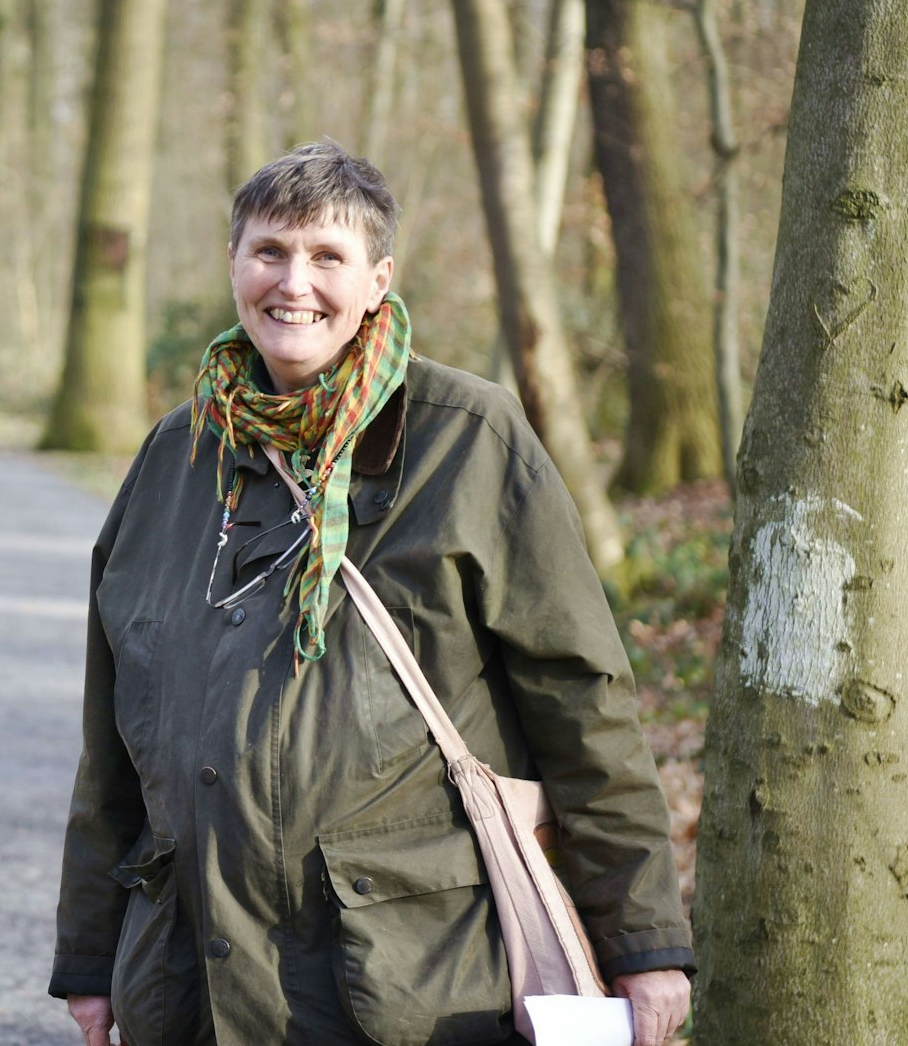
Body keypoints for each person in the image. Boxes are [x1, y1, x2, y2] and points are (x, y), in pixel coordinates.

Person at [49, 143, 693, 1046]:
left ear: (378, 279)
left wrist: (644, 941)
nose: (294, 282)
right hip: (190, 977)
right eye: (270, 251)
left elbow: (581, 699)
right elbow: (113, 727)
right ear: (234, 265)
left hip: (409, 984)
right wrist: (89, 955)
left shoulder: (467, 440)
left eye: (327, 256)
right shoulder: (176, 454)